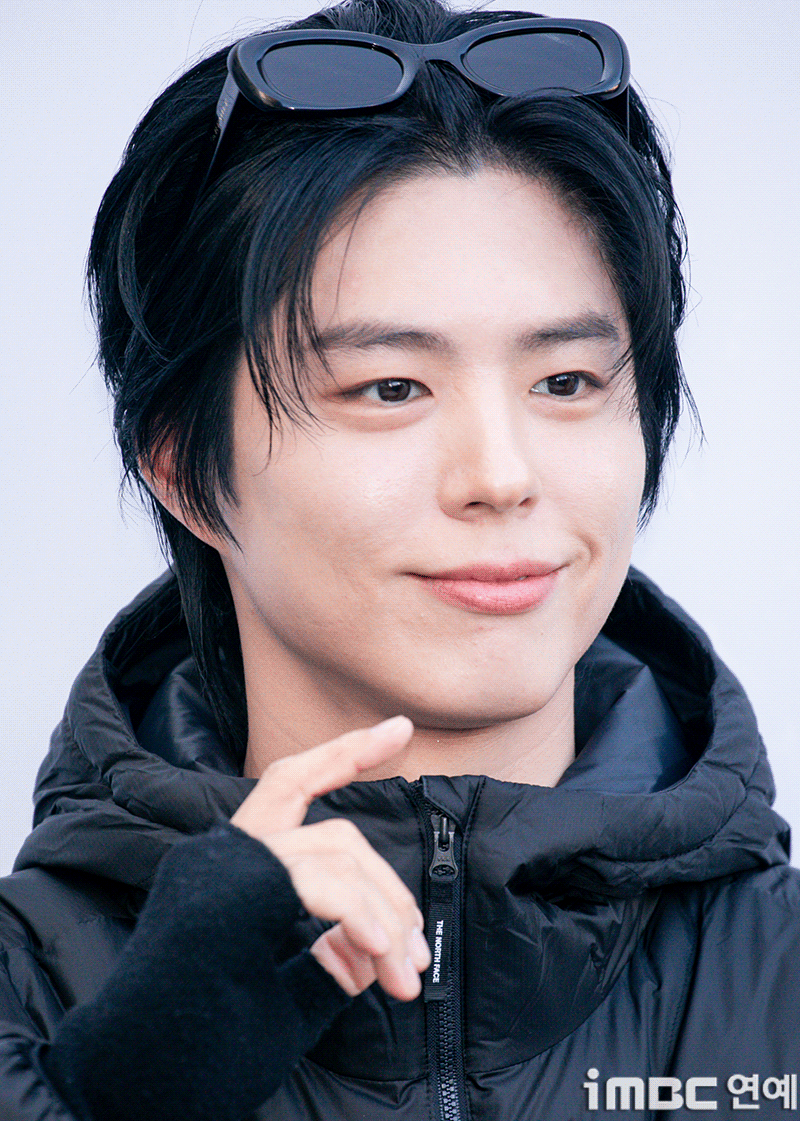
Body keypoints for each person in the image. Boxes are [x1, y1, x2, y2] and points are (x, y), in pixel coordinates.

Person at [1, 0, 798, 1118]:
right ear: (183, 468)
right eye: (389, 387)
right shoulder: (27, 998)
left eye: (565, 381)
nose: (500, 474)